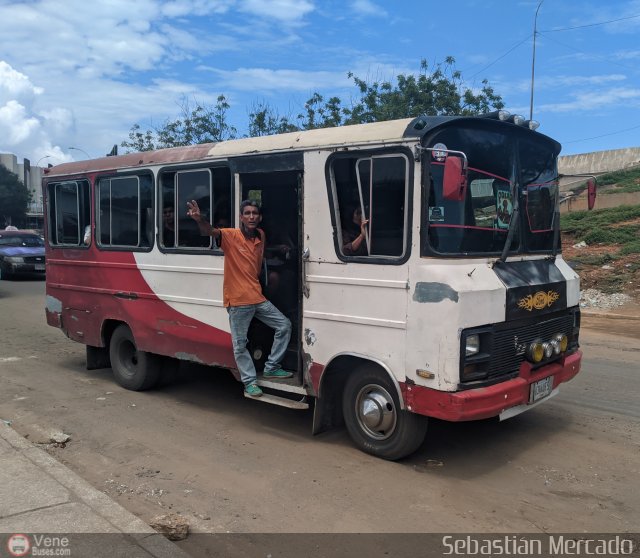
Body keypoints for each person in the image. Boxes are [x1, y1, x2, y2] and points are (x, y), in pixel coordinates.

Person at [187, 198, 292, 398]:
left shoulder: (261, 235)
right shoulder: (230, 235)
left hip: (257, 296)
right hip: (237, 300)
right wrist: (200, 220)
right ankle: (250, 383)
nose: (251, 216)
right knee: (240, 344)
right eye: (247, 213)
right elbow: (210, 232)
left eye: (255, 213)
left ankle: (271, 366)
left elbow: (257, 257)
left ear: (260, 217)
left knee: (284, 325)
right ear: (241, 217)